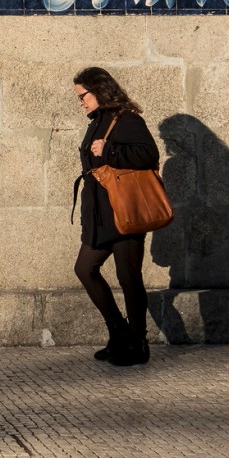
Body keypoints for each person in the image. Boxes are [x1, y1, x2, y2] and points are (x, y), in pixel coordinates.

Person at [72, 66, 162, 367]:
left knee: (128, 277)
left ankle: (138, 343)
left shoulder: (126, 120)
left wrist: (109, 149)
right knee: (85, 269)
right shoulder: (98, 121)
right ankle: (119, 333)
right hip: (100, 215)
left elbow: (148, 155)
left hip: (125, 212)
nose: (81, 102)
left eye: (83, 96)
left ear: (99, 90)